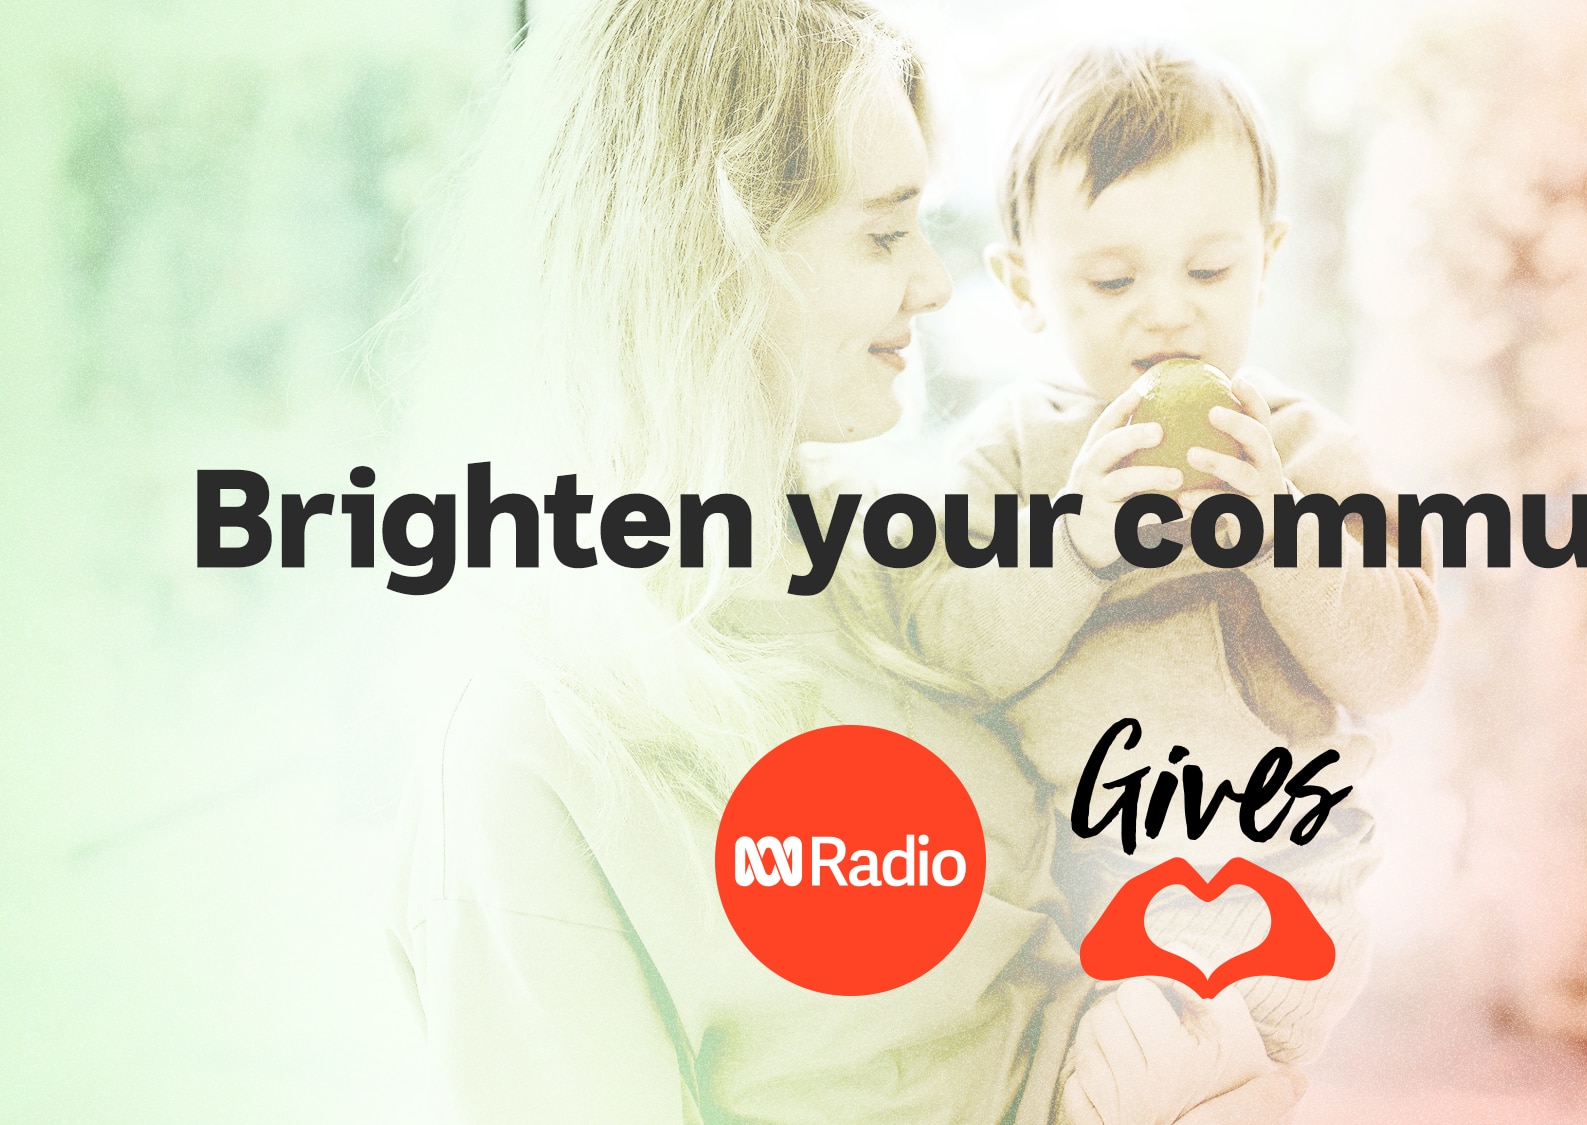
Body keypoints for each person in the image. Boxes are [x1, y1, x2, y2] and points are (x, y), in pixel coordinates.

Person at [385, 3, 1305, 1122]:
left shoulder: (897, 573)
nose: (931, 281)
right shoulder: (534, 754)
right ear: (701, 260)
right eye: (882, 234)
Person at [891, 41, 1441, 1078]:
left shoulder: (1303, 453)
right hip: (1075, 923)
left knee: (1203, 1072)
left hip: (1279, 899)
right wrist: (1070, 543)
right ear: (1021, 283)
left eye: (1208, 270)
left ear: (1266, 259)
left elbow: (1394, 663)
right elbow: (949, 649)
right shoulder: (1009, 460)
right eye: (1109, 278)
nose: (1166, 309)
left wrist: (1281, 537)